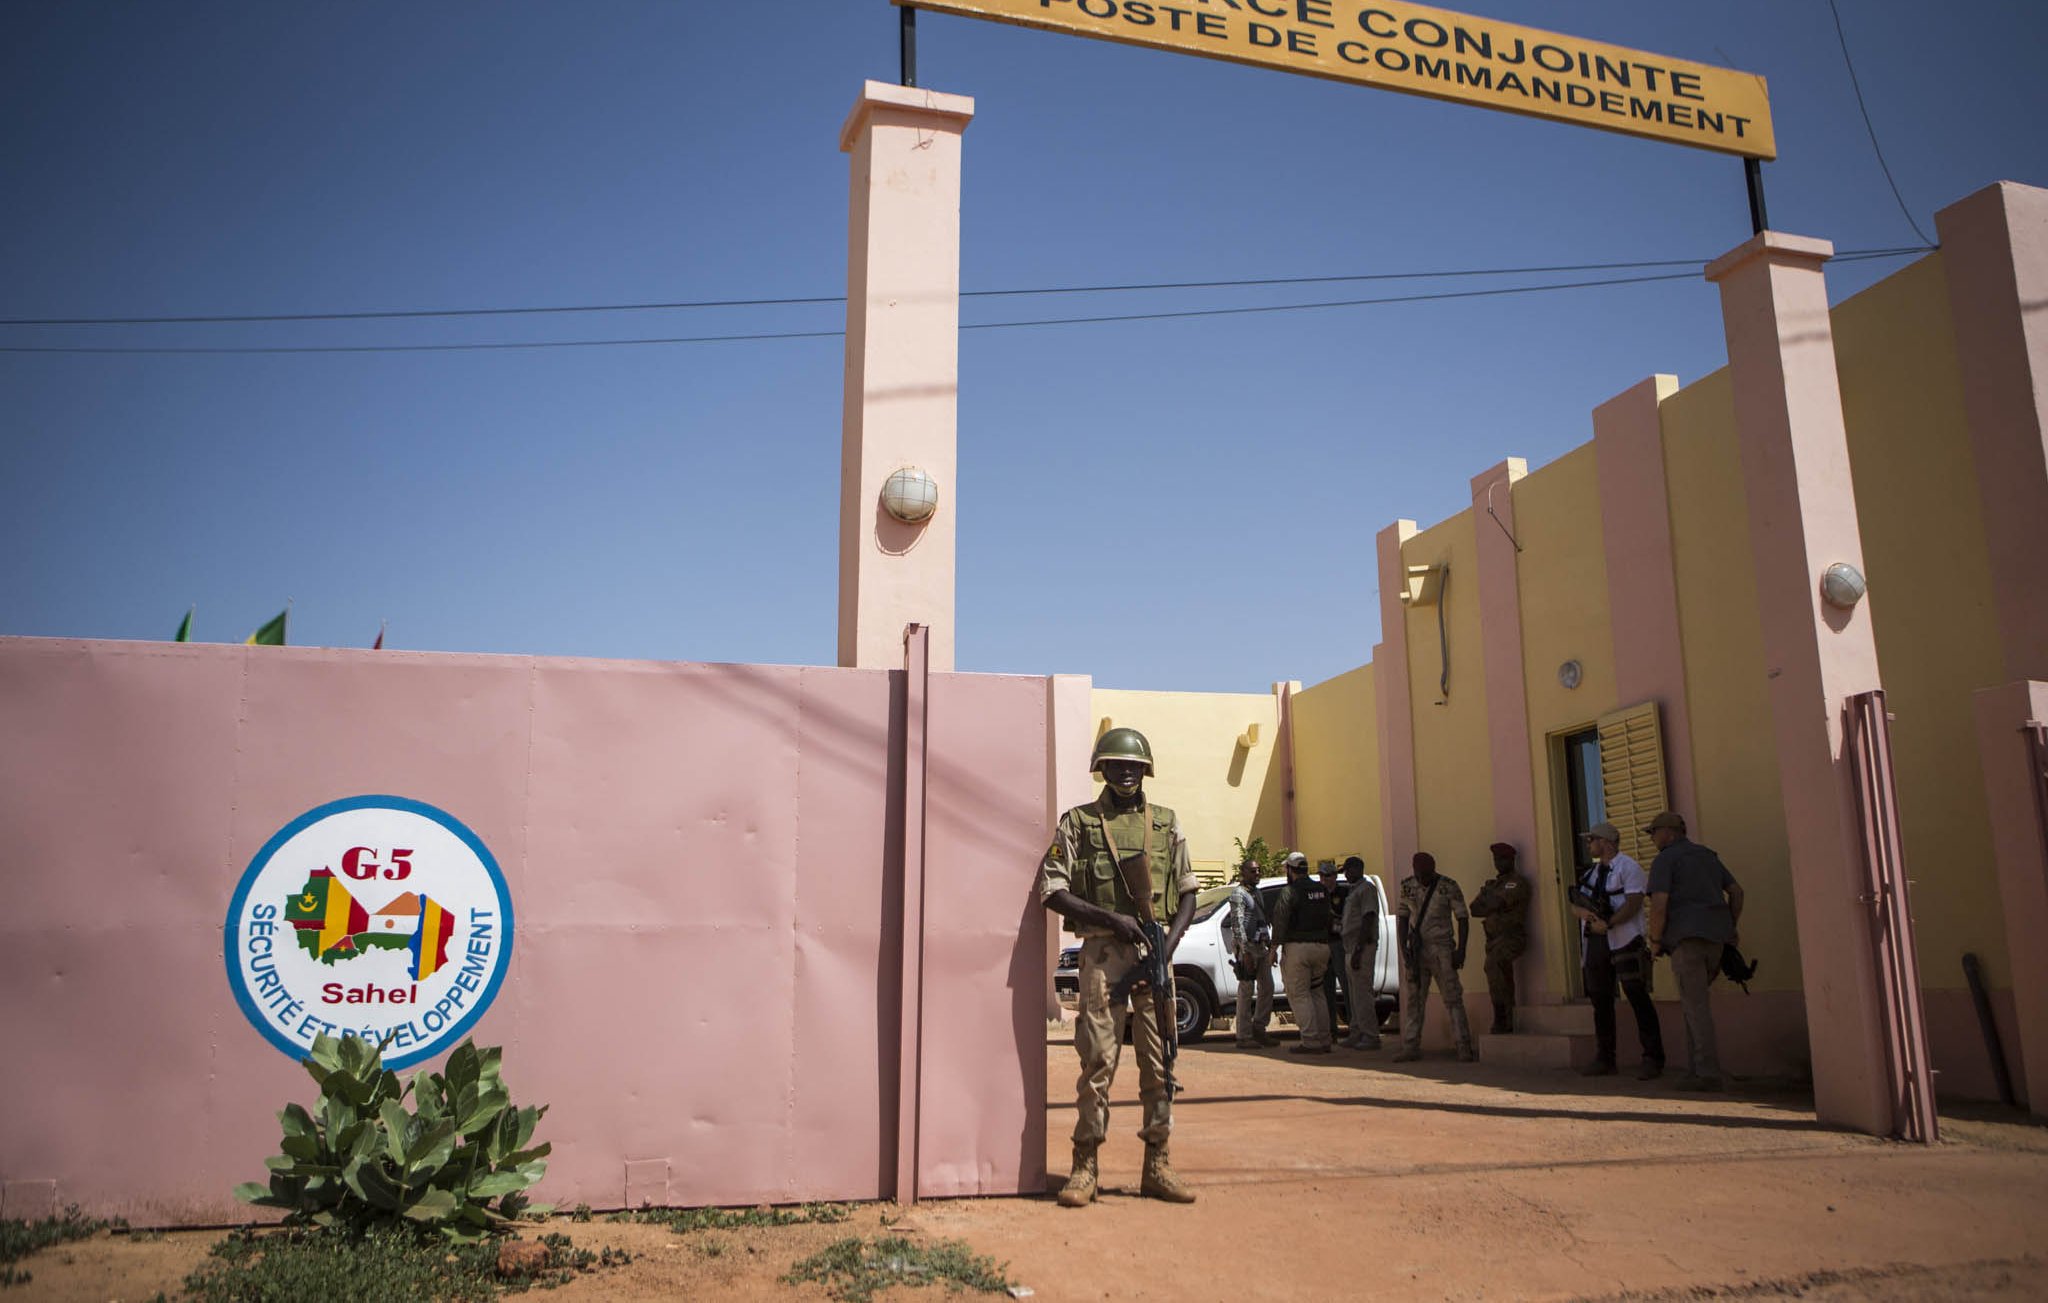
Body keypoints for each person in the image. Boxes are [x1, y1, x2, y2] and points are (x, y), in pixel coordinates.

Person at [1036, 726, 1198, 1205]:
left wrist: (1165, 949)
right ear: (1101, 769)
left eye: (1134, 765)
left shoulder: (1167, 824)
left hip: (1157, 954)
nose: (1126, 772)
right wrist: (1112, 919)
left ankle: (1158, 1164)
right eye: (1116, 765)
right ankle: (1085, 1165)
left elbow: (1188, 893)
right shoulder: (1080, 823)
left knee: (1160, 1061)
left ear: (1145, 770)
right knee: (1098, 1060)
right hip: (1103, 955)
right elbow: (1052, 891)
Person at [1644, 811, 1744, 1092]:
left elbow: (1660, 905)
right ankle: (1695, 1070)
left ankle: (1707, 1073)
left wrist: (1654, 941)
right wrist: (1730, 926)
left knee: (1695, 1007)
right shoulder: (1707, 856)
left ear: (1669, 833)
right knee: (1693, 1005)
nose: (1652, 838)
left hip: (1687, 940)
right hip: (1716, 940)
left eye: (1654, 832)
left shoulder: (1666, 860)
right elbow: (1737, 892)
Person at [1571, 822, 1665, 1080]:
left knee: (1637, 997)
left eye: (1592, 839)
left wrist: (1609, 923)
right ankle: (1605, 1058)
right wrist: (1586, 915)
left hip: (1625, 939)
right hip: (1597, 942)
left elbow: (1634, 902)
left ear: (1606, 842)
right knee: (1600, 1001)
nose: (1589, 844)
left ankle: (1652, 1059)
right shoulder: (1591, 874)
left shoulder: (1628, 867)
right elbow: (1575, 905)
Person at [1392, 850, 1476, 1063]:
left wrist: (1461, 951)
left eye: (1427, 874)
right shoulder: (1407, 886)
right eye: (1420, 874)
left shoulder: (1448, 886)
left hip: (1442, 948)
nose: (1423, 879)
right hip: (1416, 949)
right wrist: (1404, 951)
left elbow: (1463, 918)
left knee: (1452, 997)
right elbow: (1403, 918)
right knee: (1414, 999)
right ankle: (1410, 1046)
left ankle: (1463, 1045)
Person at [1270, 851, 1335, 1056]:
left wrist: (1273, 949)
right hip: (1322, 947)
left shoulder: (1290, 892)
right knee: (1317, 992)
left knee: (1299, 994)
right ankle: (1325, 1038)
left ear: (1290, 869)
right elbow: (1330, 918)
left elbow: (1280, 921)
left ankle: (1310, 1040)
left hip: (1298, 948)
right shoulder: (1322, 890)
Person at [1467, 841, 1531, 1034]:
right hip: (1493, 940)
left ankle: (1502, 1018)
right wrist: (1489, 900)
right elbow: (1475, 909)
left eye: (1502, 859)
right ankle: (1507, 1017)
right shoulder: (1494, 884)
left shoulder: (1516, 882)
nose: (1498, 863)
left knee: (1493, 967)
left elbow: (1496, 902)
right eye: (1496, 859)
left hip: (1512, 936)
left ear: (1511, 860)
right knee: (1500, 976)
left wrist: (1489, 899)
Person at [1223, 858, 1278, 1048]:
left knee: (1267, 987)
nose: (1257, 874)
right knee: (1246, 991)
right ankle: (1243, 1035)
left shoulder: (1257, 893)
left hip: (1260, 947)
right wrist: (1244, 951)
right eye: (1253, 871)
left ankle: (1259, 1028)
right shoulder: (1238, 894)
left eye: (1258, 870)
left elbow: (1262, 920)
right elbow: (1237, 925)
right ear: (1243, 872)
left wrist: (1270, 945)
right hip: (1247, 948)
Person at [1338, 856, 1383, 1049]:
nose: (1346, 874)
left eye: (1349, 869)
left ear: (1358, 869)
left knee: (1363, 993)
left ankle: (1371, 1035)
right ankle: (1357, 1031)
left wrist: (1359, 949)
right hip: (1349, 947)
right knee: (1354, 993)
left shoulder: (1367, 890)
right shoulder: (1353, 890)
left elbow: (1368, 918)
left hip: (1361, 948)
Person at [1318, 860, 1347, 1040]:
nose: (1324, 879)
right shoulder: (1318, 894)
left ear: (1335, 876)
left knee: (1346, 986)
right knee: (1325, 989)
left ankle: (1355, 1027)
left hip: (1340, 943)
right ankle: (1331, 1029)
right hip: (1323, 944)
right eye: (1321, 875)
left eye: (1327, 875)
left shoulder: (1344, 893)